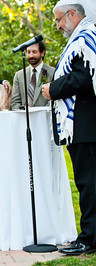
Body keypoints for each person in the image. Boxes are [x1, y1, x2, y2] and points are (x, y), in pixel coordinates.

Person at [42, 0, 96, 256]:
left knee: (89, 183)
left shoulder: (86, 37)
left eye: (59, 19)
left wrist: (53, 88)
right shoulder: (84, 35)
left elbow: (83, 77)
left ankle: (89, 239)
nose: (57, 25)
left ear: (73, 14)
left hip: (86, 124)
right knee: (88, 182)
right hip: (84, 125)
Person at [11, 42, 55, 109]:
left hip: (45, 117)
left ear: (42, 53)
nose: (31, 55)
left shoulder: (52, 72)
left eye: (34, 52)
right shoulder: (19, 75)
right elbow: (15, 102)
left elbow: (54, 100)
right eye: (28, 52)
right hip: (24, 117)